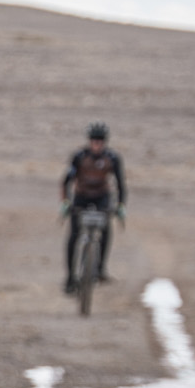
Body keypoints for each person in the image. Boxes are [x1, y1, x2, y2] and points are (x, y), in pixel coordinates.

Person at [60, 122, 126, 293]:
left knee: (106, 232)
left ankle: (100, 269)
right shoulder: (79, 156)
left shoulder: (112, 158)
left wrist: (120, 205)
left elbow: (120, 183)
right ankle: (70, 277)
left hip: (102, 198)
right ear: (90, 141)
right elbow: (66, 181)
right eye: (94, 140)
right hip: (81, 198)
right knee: (73, 236)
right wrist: (65, 202)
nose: (97, 144)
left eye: (100, 141)